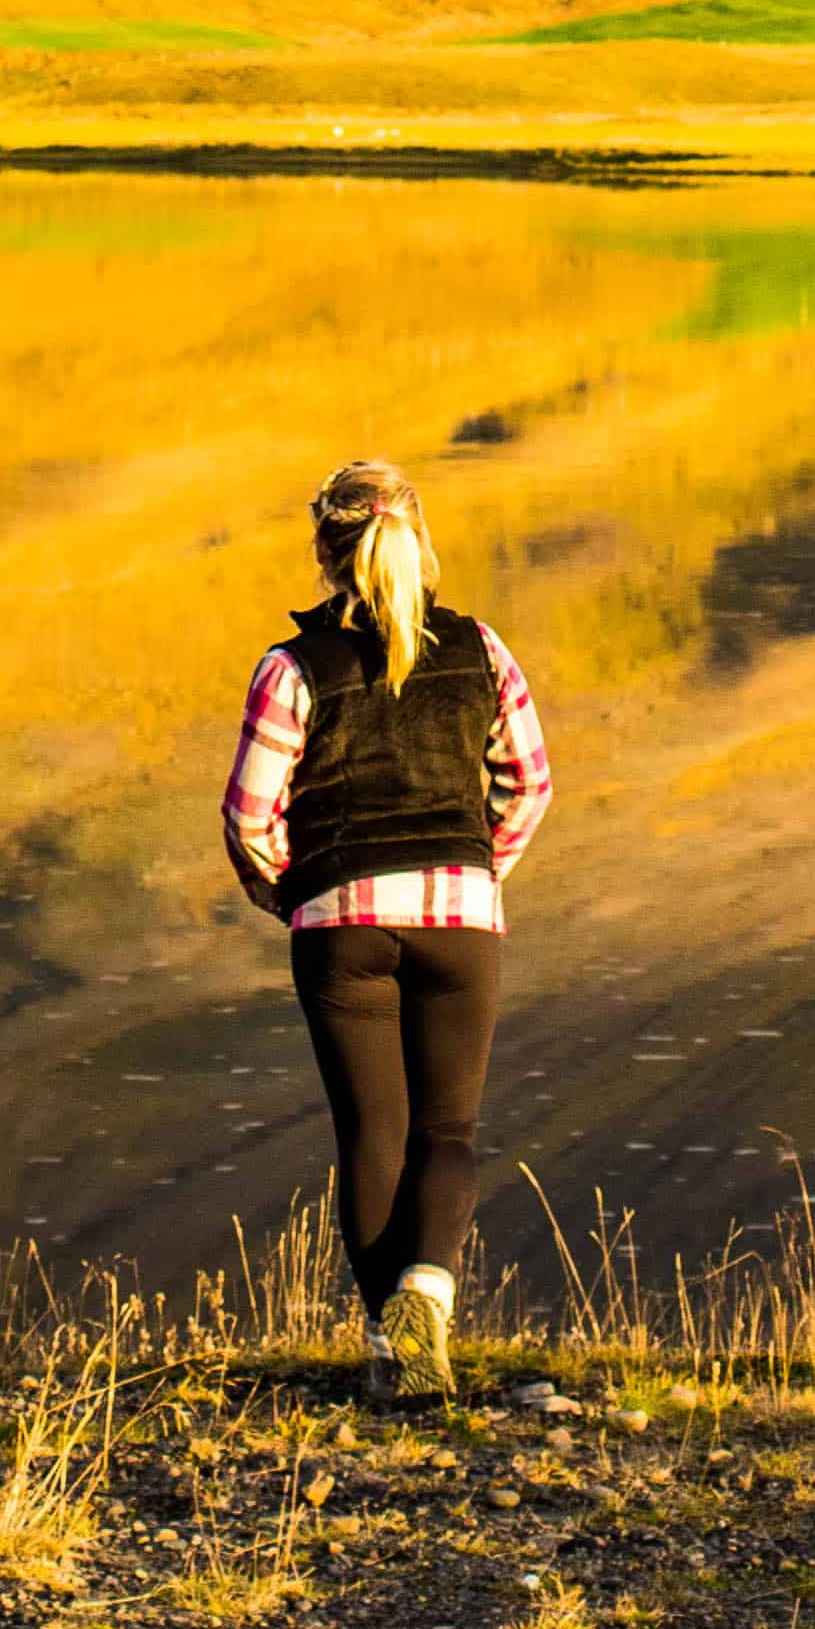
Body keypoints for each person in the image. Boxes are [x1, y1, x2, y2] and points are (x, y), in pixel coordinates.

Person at [218, 450, 552, 1404]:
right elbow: (529, 783)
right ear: (420, 543)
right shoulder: (481, 649)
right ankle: (428, 1293)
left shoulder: (291, 668)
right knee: (448, 1128)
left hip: (340, 921)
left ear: (325, 553)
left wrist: (288, 892)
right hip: (460, 916)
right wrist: (478, 869)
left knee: (373, 1133)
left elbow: (249, 810)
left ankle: (389, 1356)